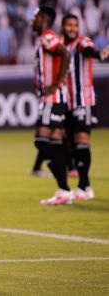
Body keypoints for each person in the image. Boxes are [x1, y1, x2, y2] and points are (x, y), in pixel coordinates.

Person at [60, 13, 109, 201]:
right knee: (70, 143)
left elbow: (90, 51)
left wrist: (100, 54)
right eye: (69, 25)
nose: (73, 28)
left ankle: (83, 185)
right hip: (68, 102)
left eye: (75, 25)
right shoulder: (63, 48)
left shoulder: (82, 42)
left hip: (83, 100)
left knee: (82, 140)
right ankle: (85, 185)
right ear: (63, 27)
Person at [30, 6, 72, 206]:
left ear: (44, 19)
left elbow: (65, 53)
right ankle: (64, 190)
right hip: (53, 98)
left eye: (36, 17)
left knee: (41, 140)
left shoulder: (48, 37)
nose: (33, 20)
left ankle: (64, 186)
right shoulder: (44, 38)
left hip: (52, 98)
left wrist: (56, 83)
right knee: (55, 141)